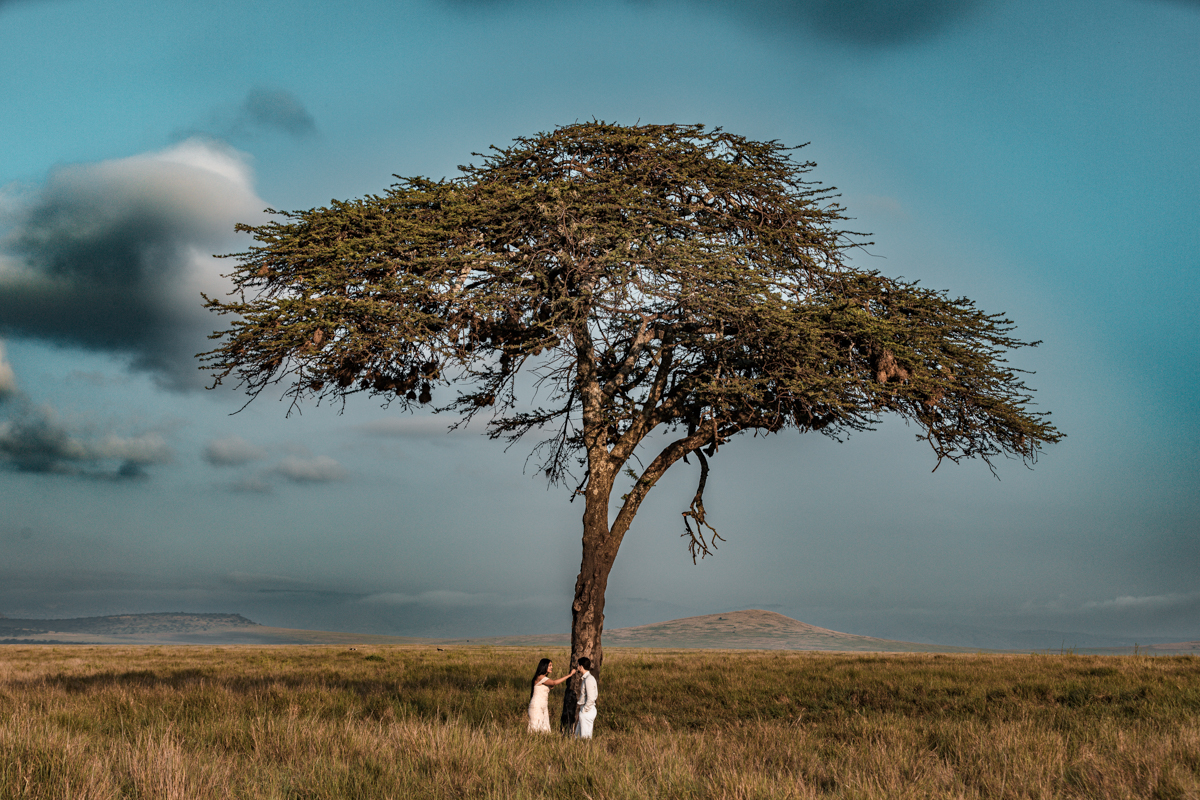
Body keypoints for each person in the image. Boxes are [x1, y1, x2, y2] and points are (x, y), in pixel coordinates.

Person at [527, 658, 575, 733]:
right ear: (544, 666)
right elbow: (554, 683)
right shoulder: (540, 676)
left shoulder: (544, 678)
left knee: (545, 729)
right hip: (537, 706)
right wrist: (570, 675)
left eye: (551, 665)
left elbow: (551, 685)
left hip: (543, 706)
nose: (551, 667)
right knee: (536, 729)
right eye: (549, 665)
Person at [574, 656, 598, 739]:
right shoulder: (587, 678)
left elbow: (591, 698)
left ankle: (586, 751)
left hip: (588, 710)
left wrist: (584, 710)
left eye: (578, 665)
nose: (577, 667)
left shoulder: (589, 679)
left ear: (581, 666)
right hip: (586, 709)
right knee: (578, 736)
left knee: (585, 737)